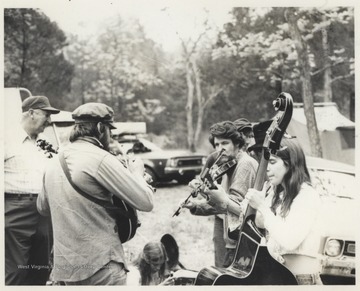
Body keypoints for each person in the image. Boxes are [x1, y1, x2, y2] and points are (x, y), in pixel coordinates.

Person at [36, 102, 155, 285]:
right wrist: (137, 174)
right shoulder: (101, 158)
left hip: (66, 269)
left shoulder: (53, 162)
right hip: (102, 266)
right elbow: (146, 202)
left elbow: (42, 208)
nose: (111, 136)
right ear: (100, 128)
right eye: (109, 130)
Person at [206, 138, 323, 285]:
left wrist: (261, 206)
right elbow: (258, 227)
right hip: (276, 276)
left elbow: (290, 240)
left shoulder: (306, 195)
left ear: (291, 163)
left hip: (302, 280)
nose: (267, 168)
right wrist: (232, 201)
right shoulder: (277, 193)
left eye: (273, 162)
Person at [183, 121, 258, 267]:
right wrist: (195, 205)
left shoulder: (245, 164)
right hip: (233, 240)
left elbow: (235, 207)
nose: (220, 149)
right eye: (217, 145)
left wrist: (206, 191)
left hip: (242, 243)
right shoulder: (230, 162)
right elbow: (224, 205)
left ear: (237, 143)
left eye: (224, 143)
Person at [4, 96, 60, 285]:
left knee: (41, 269)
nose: (50, 121)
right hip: (14, 208)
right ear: (32, 113)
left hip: (44, 211)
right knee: (15, 272)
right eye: (47, 115)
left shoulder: (44, 144)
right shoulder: (5, 138)